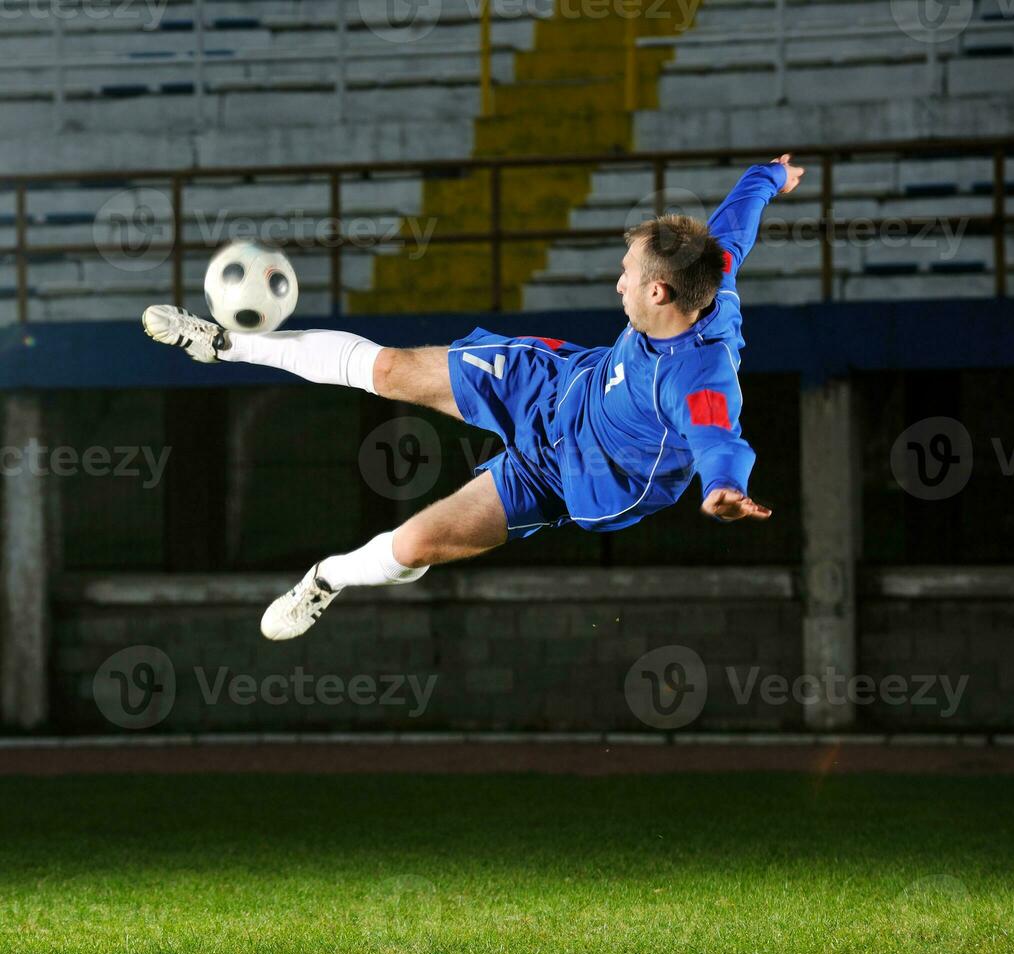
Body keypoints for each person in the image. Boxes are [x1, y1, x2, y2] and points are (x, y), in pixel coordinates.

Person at [142, 153, 804, 640]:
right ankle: (222, 344)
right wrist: (769, 176)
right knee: (395, 369)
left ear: (660, 294)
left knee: (415, 546)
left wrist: (722, 486)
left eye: (627, 277)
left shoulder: (701, 373)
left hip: (582, 474)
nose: (618, 285)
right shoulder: (708, 267)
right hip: (558, 386)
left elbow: (719, 434)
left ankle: (326, 578)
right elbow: (736, 219)